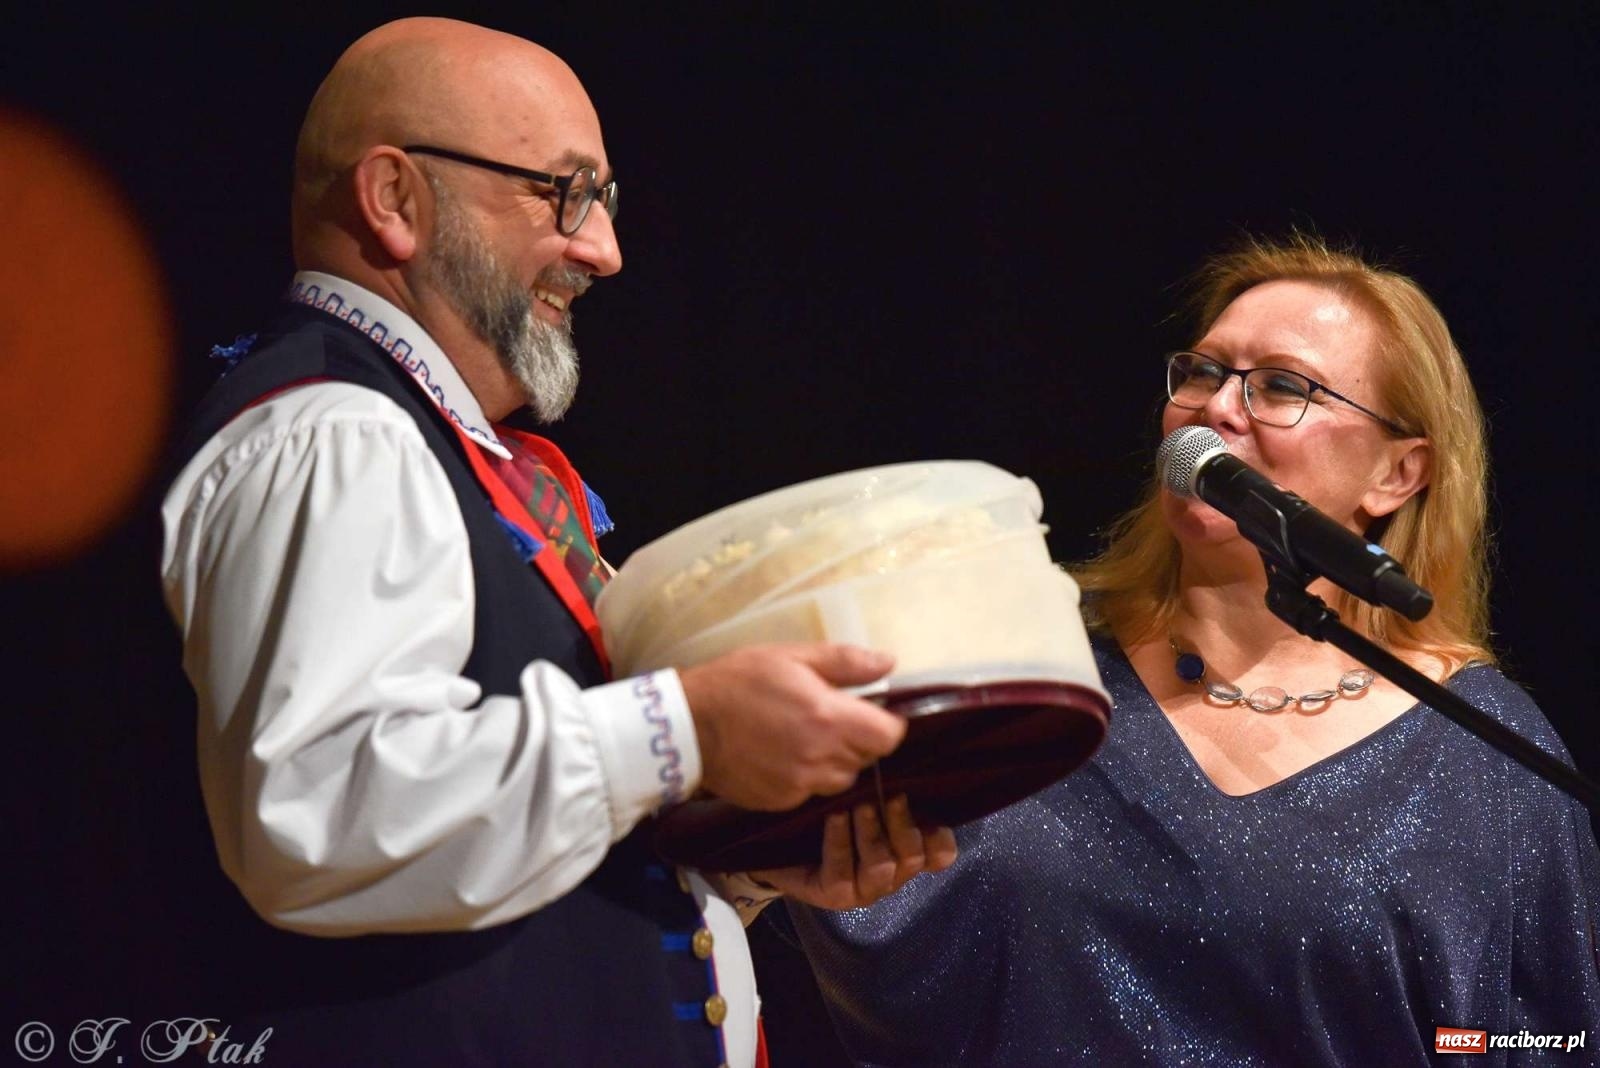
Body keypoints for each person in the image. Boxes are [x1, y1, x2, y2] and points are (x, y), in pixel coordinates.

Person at [159, 17, 954, 1067]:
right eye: (563, 191)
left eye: (606, 201)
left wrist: (742, 862)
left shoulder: (424, 444)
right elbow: (324, 810)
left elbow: (493, 856)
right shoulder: (339, 433)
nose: (604, 249)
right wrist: (686, 728)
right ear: (395, 198)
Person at [774, 235, 1600, 1065]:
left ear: (1398, 473)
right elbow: (872, 930)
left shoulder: (1490, 758)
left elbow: (1539, 1037)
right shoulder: (1032, 664)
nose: (1217, 409)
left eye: (1281, 386)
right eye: (1203, 373)